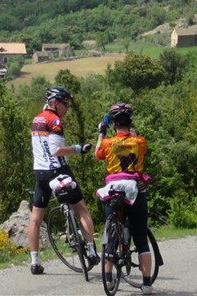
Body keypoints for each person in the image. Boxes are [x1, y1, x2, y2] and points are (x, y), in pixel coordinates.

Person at [27, 85, 99, 274]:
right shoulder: (55, 121)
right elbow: (56, 150)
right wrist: (78, 148)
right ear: (55, 103)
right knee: (81, 209)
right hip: (58, 170)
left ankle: (34, 262)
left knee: (35, 219)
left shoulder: (37, 119)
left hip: (40, 172)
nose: (67, 109)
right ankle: (91, 250)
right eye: (65, 104)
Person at [94, 102, 153, 295]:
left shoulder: (108, 143)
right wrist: (134, 136)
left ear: (112, 123)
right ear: (131, 121)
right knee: (141, 239)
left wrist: (101, 134)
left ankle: (109, 277)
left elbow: (97, 154)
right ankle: (146, 284)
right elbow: (141, 152)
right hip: (135, 189)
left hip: (113, 189)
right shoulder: (140, 141)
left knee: (111, 231)